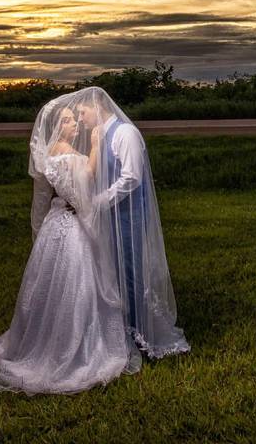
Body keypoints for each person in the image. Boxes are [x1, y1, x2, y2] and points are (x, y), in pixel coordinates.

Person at [0, 101, 140, 395]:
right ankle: (70, 347)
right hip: (71, 222)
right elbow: (86, 178)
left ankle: (47, 336)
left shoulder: (49, 155)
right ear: (56, 129)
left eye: (74, 119)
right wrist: (96, 144)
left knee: (53, 284)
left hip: (55, 221)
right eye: (66, 121)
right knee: (78, 283)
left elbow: (44, 196)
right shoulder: (64, 152)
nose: (74, 123)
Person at [73, 87, 190, 358]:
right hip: (110, 218)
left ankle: (138, 334)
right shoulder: (100, 135)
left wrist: (99, 201)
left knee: (130, 272)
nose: (80, 118)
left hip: (128, 218)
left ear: (99, 107)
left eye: (83, 112)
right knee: (111, 272)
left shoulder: (126, 133)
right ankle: (117, 330)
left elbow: (132, 177)